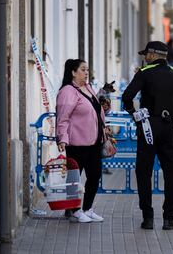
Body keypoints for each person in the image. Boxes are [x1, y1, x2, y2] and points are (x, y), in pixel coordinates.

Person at [122, 41, 173, 230]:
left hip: (148, 126)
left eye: (146, 54)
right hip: (169, 126)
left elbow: (126, 97)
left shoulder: (145, 72)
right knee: (171, 173)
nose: (144, 57)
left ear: (153, 55)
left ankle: (148, 218)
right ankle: (169, 219)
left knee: (144, 172)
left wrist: (135, 115)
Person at [56, 59, 105, 223]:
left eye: (87, 70)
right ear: (73, 72)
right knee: (74, 178)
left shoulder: (88, 88)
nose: (86, 72)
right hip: (77, 143)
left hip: (94, 142)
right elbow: (62, 118)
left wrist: (104, 129)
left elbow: (96, 112)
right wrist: (62, 138)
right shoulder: (68, 91)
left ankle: (88, 208)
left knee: (95, 175)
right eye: (83, 69)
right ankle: (75, 211)